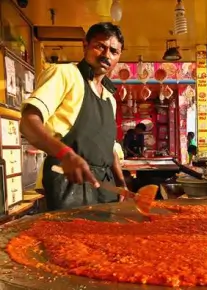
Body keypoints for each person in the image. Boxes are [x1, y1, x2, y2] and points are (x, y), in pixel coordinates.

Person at [20, 22, 127, 211]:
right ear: (85, 45)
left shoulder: (110, 97)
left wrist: (121, 183)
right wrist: (65, 154)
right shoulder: (65, 74)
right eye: (100, 46)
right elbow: (28, 122)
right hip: (68, 182)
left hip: (106, 188)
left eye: (113, 51)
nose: (106, 55)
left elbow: (108, 147)